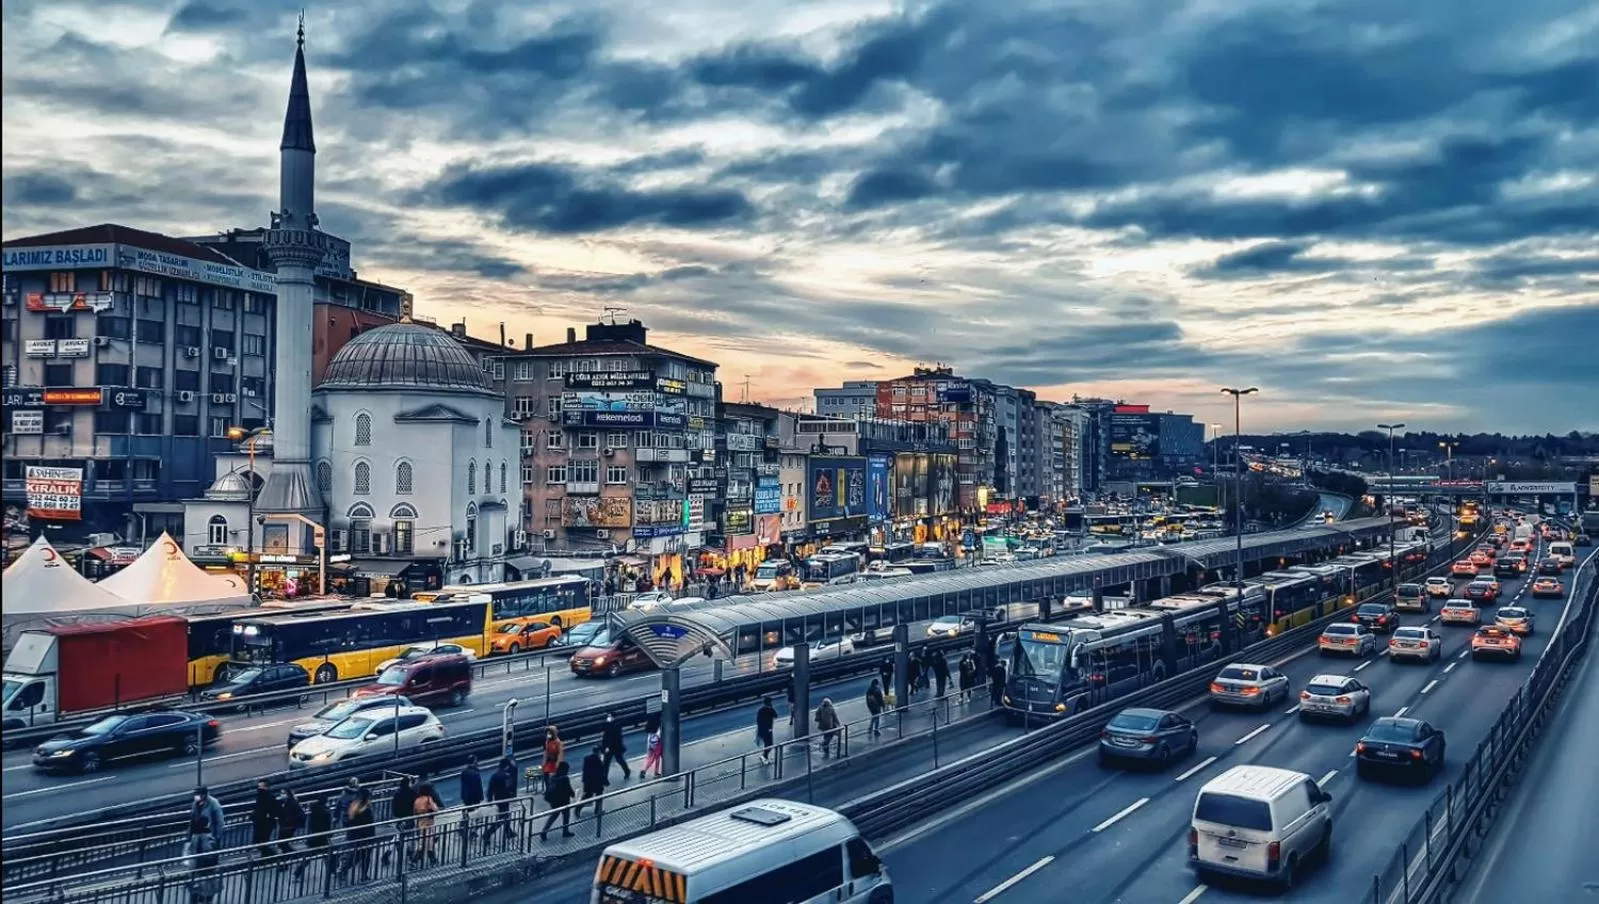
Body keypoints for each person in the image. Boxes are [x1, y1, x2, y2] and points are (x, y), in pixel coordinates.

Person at [340, 789, 377, 882]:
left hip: (354, 836)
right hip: (365, 837)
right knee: (365, 857)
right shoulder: (366, 809)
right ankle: (363, 875)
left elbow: (348, 820)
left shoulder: (354, 805)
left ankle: (343, 870)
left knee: (356, 856)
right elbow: (369, 825)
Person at [183, 816, 221, 904]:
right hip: (207, 871)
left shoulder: (196, 838)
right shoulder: (210, 837)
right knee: (206, 895)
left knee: (196, 894)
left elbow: (192, 855)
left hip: (198, 871)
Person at [539, 761, 576, 841]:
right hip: (564, 800)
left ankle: (544, 831)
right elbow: (568, 789)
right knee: (566, 816)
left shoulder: (553, 777)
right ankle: (565, 831)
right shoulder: (565, 778)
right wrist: (573, 794)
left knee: (553, 816)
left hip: (554, 801)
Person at [485, 759, 518, 847]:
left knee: (505, 816)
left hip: (498, 799)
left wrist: (490, 800)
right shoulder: (507, 775)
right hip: (505, 799)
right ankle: (487, 834)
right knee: (503, 818)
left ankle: (508, 831)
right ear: (506, 766)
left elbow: (490, 789)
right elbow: (509, 787)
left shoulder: (494, 775)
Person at [411, 783, 441, 866]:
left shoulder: (417, 800)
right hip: (428, 823)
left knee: (424, 843)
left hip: (420, 823)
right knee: (427, 843)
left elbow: (414, 812)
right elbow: (435, 809)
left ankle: (431, 859)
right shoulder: (428, 799)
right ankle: (415, 861)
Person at [576, 745, 607, 818]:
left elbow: (585, 770)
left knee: (587, 796)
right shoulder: (598, 760)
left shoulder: (587, 758)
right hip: (597, 781)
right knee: (599, 796)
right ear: (599, 752)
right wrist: (605, 781)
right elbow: (601, 772)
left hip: (588, 781)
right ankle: (598, 810)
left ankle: (578, 809)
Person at [250, 779, 278, 859]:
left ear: (266, 787)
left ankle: (273, 857)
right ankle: (267, 857)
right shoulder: (261, 797)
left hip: (265, 824)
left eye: (261, 787)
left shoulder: (268, 797)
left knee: (262, 842)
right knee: (261, 843)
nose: (259, 789)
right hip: (260, 823)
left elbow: (271, 810)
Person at [600, 713, 632, 780]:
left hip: (614, 747)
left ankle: (626, 771)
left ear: (613, 717)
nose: (608, 718)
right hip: (613, 747)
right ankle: (605, 777)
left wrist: (607, 747)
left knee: (611, 761)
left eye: (609, 717)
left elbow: (611, 737)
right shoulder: (611, 725)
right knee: (610, 762)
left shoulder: (615, 725)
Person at [277, 789, 304, 855]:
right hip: (285, 826)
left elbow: (296, 814)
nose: (281, 795)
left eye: (283, 793)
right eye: (281, 793)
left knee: (282, 843)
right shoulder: (284, 802)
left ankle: (294, 855)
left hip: (289, 826)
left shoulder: (292, 803)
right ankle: (290, 856)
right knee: (282, 843)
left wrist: (288, 821)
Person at [541, 726, 565, 792]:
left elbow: (560, 754)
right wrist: (544, 763)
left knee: (556, 776)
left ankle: (556, 788)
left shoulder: (558, 742)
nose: (548, 735)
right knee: (545, 774)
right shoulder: (547, 742)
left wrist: (558, 764)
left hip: (555, 761)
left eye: (549, 734)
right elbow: (546, 752)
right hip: (549, 762)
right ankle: (548, 788)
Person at [755, 695, 777, 763]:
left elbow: (758, 721)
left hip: (764, 730)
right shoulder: (769, 710)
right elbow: (775, 716)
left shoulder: (761, 710)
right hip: (767, 730)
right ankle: (764, 756)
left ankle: (765, 756)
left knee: (768, 744)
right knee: (769, 744)